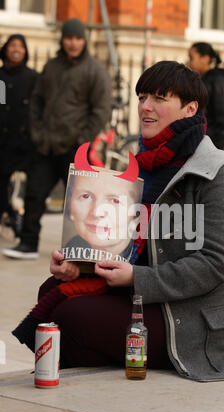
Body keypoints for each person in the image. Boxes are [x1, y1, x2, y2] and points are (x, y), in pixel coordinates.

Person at [12, 61, 224, 382]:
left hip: (200, 316)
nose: (145, 107)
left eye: (159, 98)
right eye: (142, 96)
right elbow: (128, 247)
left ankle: (102, 367)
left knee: (71, 315)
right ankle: (99, 367)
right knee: (53, 289)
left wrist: (137, 277)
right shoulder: (143, 166)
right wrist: (82, 263)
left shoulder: (217, 172)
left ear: (190, 109)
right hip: (155, 297)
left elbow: (218, 264)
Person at [2, 18, 112, 260]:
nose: (73, 43)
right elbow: (37, 101)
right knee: (34, 194)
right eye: (69, 38)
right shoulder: (51, 66)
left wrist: (83, 140)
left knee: (78, 202)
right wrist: (38, 132)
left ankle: (78, 249)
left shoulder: (95, 71)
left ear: (84, 40)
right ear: (62, 40)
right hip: (45, 145)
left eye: (78, 38)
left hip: (75, 147)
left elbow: (102, 110)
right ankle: (28, 244)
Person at [61, 166, 144, 268]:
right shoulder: (71, 249)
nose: (96, 212)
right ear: (70, 206)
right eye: (86, 196)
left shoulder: (147, 261)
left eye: (115, 200)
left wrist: (134, 277)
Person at [0, 34, 38, 237]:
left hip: (24, 143)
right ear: (5, 49)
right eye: (12, 45)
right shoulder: (1, 78)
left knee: (21, 191)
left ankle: (19, 225)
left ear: (25, 51)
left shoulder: (32, 78)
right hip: (3, 141)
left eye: (20, 46)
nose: (16, 49)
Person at [188, 42, 224, 149]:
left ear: (205, 58)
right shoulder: (203, 79)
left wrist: (216, 147)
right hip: (204, 140)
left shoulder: (219, 80)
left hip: (214, 144)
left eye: (191, 58)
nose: (188, 63)